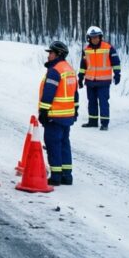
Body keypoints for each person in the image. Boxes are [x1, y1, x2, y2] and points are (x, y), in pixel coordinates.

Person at [39, 40, 79, 186]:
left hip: (54, 115)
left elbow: (48, 93)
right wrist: (75, 111)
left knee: (52, 144)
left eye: (51, 53)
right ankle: (67, 176)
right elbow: (75, 94)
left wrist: (43, 111)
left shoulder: (55, 71)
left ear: (58, 54)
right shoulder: (69, 69)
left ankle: (56, 176)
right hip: (67, 116)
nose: (49, 55)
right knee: (64, 144)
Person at [78, 26, 121, 131]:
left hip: (104, 81)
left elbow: (116, 62)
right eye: (92, 37)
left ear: (100, 37)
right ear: (89, 38)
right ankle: (92, 122)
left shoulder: (108, 48)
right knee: (91, 102)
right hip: (90, 81)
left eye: (97, 37)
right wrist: (80, 78)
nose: (95, 39)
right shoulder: (86, 50)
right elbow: (83, 66)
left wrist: (117, 74)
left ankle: (104, 123)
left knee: (103, 102)